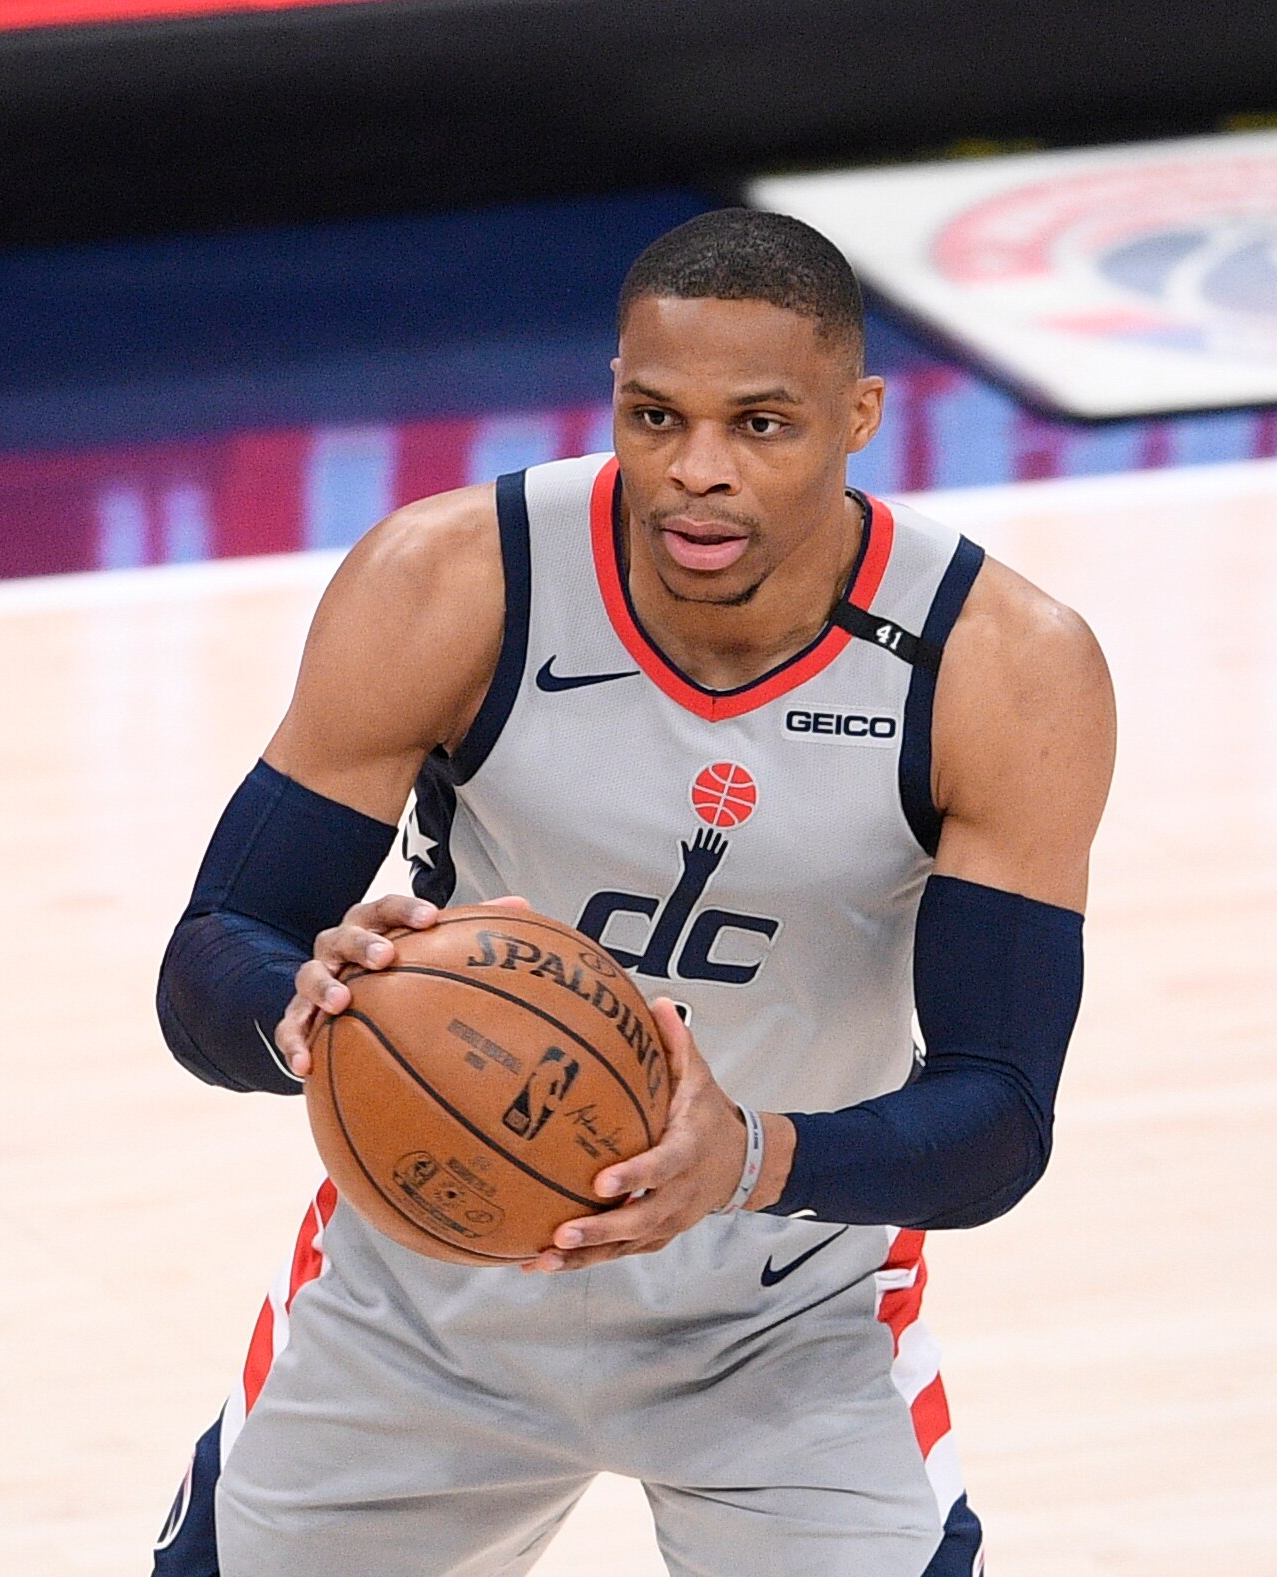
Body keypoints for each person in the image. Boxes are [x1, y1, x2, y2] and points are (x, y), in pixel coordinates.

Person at [151, 208, 1115, 1577]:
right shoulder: (449, 581)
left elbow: (999, 1116)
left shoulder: (999, 666)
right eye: (653, 416)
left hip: (780, 1324)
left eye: (761, 426)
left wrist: (748, 1158)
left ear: (860, 416)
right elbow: (206, 964)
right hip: (430, 1303)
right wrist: (294, 1003)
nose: (694, 474)